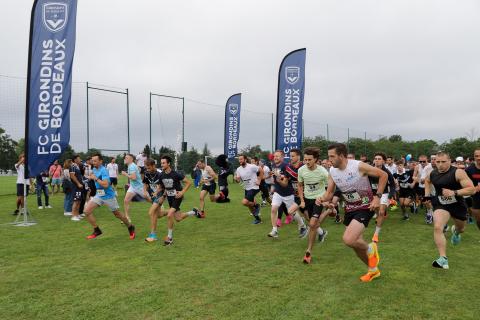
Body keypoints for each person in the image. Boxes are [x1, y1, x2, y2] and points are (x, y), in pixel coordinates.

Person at [318, 143, 387, 282]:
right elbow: (329, 192)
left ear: (342, 156)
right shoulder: (332, 171)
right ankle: (373, 270)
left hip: (365, 207)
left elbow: (383, 175)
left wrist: (377, 197)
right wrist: (321, 199)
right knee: (355, 245)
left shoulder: (358, 166)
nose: (329, 159)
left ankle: (371, 248)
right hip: (350, 208)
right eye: (328, 156)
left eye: (332, 156)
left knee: (348, 239)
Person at [424, 151, 475, 269]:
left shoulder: (458, 172)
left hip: (458, 205)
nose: (440, 164)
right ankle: (443, 259)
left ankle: (456, 232)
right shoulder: (433, 173)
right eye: (437, 162)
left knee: (461, 229)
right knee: (438, 227)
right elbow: (427, 181)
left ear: (450, 161)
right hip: (441, 204)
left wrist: (454, 192)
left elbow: (471, 189)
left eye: (443, 162)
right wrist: (427, 196)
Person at [83, 153, 135, 240]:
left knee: (117, 214)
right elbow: (92, 178)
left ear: (100, 161)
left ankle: (130, 226)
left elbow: (106, 185)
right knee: (87, 211)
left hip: (108, 196)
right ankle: (97, 230)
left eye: (95, 161)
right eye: (93, 161)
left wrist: (95, 178)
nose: (93, 162)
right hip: (99, 195)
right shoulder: (94, 169)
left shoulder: (103, 170)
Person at [158, 155, 204, 246]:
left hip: (177, 197)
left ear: (168, 163)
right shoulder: (161, 175)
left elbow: (188, 182)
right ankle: (194, 212)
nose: (162, 164)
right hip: (170, 198)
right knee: (178, 218)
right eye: (161, 163)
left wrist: (182, 192)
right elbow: (163, 187)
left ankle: (169, 238)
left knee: (169, 214)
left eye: (163, 163)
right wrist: (160, 194)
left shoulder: (175, 174)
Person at [297, 147, 330, 264]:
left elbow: (330, 187)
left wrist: (324, 199)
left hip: (318, 200)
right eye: (305, 160)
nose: (307, 162)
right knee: (312, 222)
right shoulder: (301, 170)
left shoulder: (323, 171)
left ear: (315, 159)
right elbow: (300, 185)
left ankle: (308, 251)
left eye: (309, 160)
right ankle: (323, 230)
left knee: (312, 224)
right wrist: (301, 200)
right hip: (307, 199)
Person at [267, 150, 307, 239]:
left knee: (292, 212)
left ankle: (302, 225)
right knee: (273, 209)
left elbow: (286, 182)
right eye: (274, 156)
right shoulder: (273, 165)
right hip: (278, 192)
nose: (275, 158)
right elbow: (275, 178)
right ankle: (275, 230)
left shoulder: (286, 166)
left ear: (282, 157)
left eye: (277, 156)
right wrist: (273, 187)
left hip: (288, 193)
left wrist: (280, 180)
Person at [370, 152, 396, 243]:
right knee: (376, 209)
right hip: (373, 194)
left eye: (379, 159)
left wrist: (390, 196)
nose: (377, 160)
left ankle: (376, 234)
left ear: (384, 161)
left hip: (384, 194)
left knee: (381, 212)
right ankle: (377, 215)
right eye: (375, 159)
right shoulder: (370, 170)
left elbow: (393, 185)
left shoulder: (387, 172)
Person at [143, 159, 167, 242]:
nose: (147, 170)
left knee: (151, 212)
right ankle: (171, 211)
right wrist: (145, 191)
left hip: (160, 196)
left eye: (149, 168)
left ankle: (153, 235)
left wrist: (163, 196)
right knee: (159, 215)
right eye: (146, 168)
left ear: (154, 165)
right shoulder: (147, 173)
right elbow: (145, 184)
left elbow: (165, 187)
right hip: (153, 196)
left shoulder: (161, 174)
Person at [235, 154, 262, 224]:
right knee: (249, 206)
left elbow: (261, 170)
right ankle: (258, 219)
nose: (240, 161)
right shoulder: (238, 169)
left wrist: (259, 180)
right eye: (239, 159)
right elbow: (238, 180)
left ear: (245, 159)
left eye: (241, 159)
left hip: (254, 187)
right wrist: (236, 179)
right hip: (247, 188)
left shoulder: (251, 166)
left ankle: (256, 205)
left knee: (244, 202)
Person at [122, 153, 144, 223]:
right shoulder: (131, 165)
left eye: (126, 158)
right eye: (125, 158)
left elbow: (133, 178)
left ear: (131, 159)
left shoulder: (131, 166)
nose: (125, 159)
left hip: (139, 187)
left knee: (149, 199)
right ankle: (127, 217)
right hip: (133, 187)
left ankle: (159, 204)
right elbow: (139, 169)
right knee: (126, 200)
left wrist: (125, 174)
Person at [466, 149, 480, 229]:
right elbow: (465, 184)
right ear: (474, 157)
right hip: (476, 197)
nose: (478, 158)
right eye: (476, 156)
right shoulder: (469, 170)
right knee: (478, 220)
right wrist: (473, 188)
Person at [69, 155, 84, 222]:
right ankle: (73, 216)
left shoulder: (77, 166)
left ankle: (77, 215)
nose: (80, 160)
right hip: (76, 186)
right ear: (75, 160)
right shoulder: (72, 166)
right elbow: (72, 176)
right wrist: (78, 183)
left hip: (79, 186)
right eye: (78, 158)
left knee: (79, 200)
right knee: (76, 201)